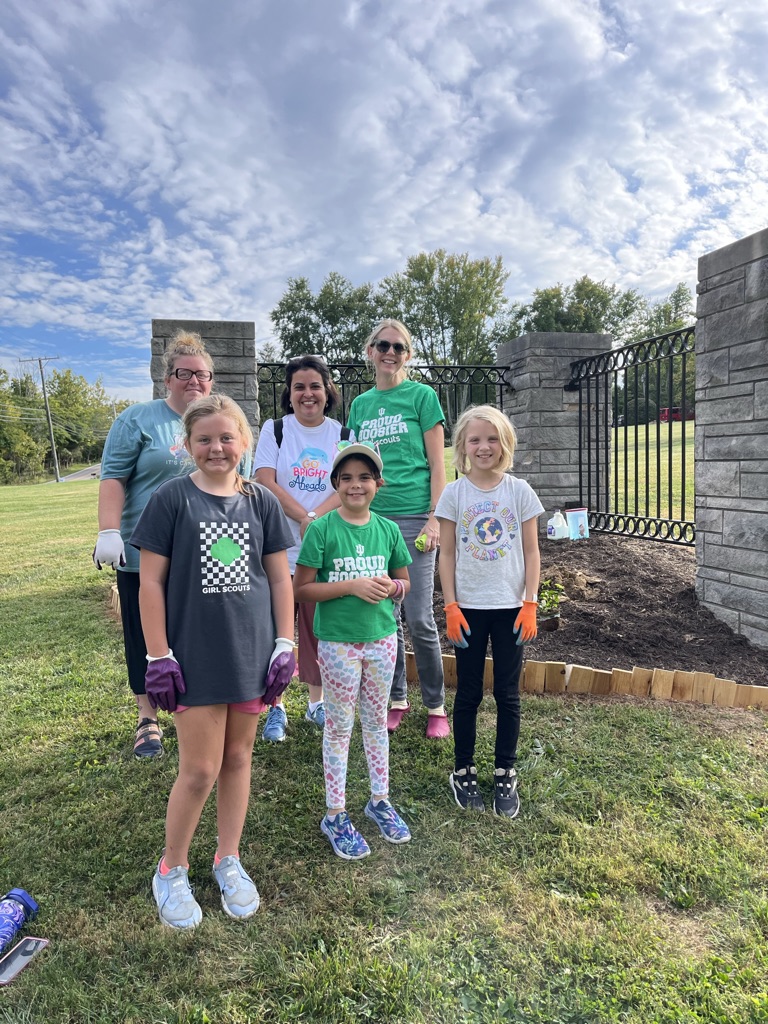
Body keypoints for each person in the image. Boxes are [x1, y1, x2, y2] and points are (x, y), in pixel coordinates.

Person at [130, 394, 294, 929]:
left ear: (244, 442)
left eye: (227, 438)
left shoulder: (262, 502)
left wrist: (285, 643)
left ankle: (229, 858)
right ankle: (170, 868)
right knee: (199, 768)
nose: (216, 447)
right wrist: (158, 654)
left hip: (251, 652)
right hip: (193, 655)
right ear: (187, 445)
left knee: (238, 760)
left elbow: (278, 578)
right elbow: (149, 582)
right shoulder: (171, 499)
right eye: (204, 439)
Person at [94, 331, 216, 759]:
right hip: (143, 553)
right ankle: (147, 717)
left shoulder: (216, 424)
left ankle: (193, 705)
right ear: (168, 378)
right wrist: (109, 531)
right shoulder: (138, 419)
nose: (194, 382)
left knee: (195, 632)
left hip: (204, 553)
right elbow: (113, 478)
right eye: (185, 373)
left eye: (203, 375)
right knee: (144, 634)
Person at [294, 441, 413, 860]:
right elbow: (302, 588)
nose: (356, 485)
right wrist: (351, 586)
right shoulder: (322, 529)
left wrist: (392, 587)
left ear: (378, 484)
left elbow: (404, 582)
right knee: (340, 726)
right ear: (335, 484)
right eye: (346, 478)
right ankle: (336, 813)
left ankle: (379, 799)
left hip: (381, 639)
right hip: (339, 645)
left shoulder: (388, 530)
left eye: (364, 477)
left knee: (376, 721)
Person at [436, 405, 543, 818]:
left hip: (511, 611)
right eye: (475, 439)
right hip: (469, 610)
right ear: (462, 445)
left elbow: (531, 552)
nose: (484, 447)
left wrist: (530, 603)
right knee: (468, 693)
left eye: (492, 438)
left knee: (507, 694)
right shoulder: (455, 494)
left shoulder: (519, 492)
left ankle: (504, 771)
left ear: (505, 443)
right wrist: (450, 605)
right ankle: (463, 769)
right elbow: (446, 554)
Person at [346, 319, 449, 739]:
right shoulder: (359, 405)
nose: (390, 353)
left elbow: (439, 464)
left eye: (399, 347)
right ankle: (397, 698)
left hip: (414, 520)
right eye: (383, 345)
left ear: (408, 355)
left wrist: (435, 517)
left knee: (419, 616)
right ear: (370, 351)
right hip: (373, 521)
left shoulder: (422, 396)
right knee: (383, 615)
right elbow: (352, 465)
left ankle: (436, 705)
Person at [254, 355, 347, 741]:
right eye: (299, 387)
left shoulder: (343, 434)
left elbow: (348, 484)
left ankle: (315, 704)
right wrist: (304, 516)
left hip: (321, 549)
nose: (307, 394)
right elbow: (264, 480)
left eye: (315, 386)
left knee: (315, 630)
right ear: (288, 395)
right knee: (275, 629)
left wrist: (314, 520)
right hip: (276, 549)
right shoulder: (275, 430)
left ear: (327, 392)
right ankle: (275, 708)